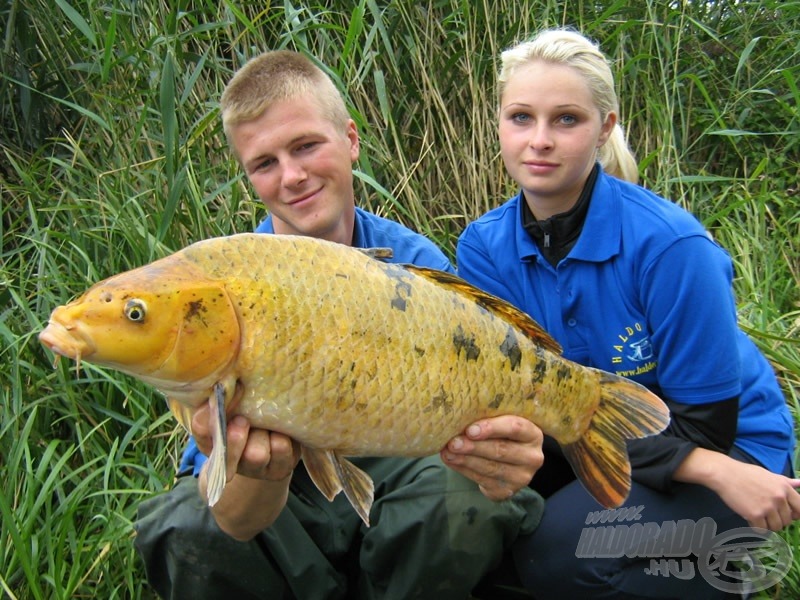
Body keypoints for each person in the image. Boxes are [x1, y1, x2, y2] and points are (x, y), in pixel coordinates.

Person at [133, 49, 545, 600]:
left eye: (305, 146)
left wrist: (509, 452)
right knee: (184, 526)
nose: (292, 176)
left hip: (401, 464)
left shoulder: (414, 265)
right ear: (249, 177)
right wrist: (258, 474)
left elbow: (491, 420)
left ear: (351, 140)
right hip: (282, 496)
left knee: (470, 497)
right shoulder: (219, 291)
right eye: (265, 163)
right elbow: (220, 501)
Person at [455, 28, 800, 599]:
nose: (539, 140)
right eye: (521, 117)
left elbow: (705, 427)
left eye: (566, 119)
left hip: (728, 451)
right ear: (498, 125)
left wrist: (719, 472)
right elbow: (519, 401)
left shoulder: (671, 246)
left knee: (557, 555)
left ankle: (728, 567)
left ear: (605, 127)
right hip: (587, 434)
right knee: (485, 546)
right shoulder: (483, 248)